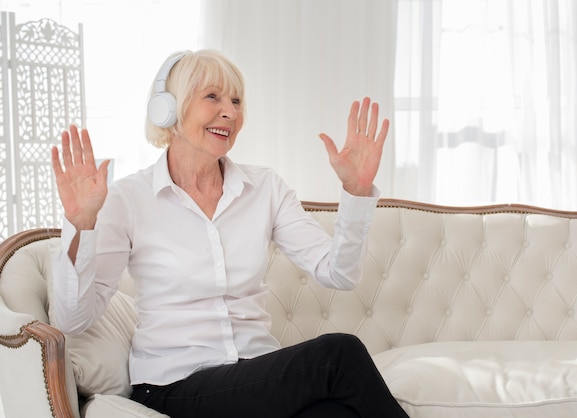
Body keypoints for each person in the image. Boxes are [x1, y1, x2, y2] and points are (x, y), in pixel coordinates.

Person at [51, 49, 408, 418]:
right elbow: (72, 320)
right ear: (168, 110)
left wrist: (356, 192)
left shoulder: (265, 187)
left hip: (253, 377)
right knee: (340, 355)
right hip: (173, 386)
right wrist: (81, 224)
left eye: (236, 101)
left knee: (339, 415)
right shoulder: (127, 199)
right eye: (212, 97)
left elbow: (339, 272)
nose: (231, 113)